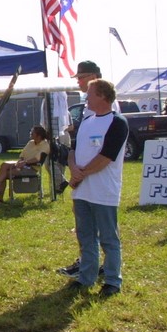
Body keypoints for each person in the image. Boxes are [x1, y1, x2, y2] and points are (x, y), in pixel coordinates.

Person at [64, 79, 129, 296]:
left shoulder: (117, 122)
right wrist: (73, 168)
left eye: (90, 93)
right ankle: (86, 277)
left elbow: (106, 157)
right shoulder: (86, 121)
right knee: (85, 236)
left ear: (102, 95)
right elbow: (72, 151)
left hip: (104, 191)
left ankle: (112, 281)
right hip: (82, 191)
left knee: (109, 238)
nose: (86, 97)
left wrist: (81, 173)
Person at [56, 60, 115, 277]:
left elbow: (106, 151)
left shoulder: (107, 109)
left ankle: (103, 269)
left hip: (98, 179)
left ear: (94, 77)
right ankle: (87, 263)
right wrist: (74, 167)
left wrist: (81, 173)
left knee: (103, 229)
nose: (79, 82)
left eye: (81, 77)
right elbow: (78, 144)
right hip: (82, 177)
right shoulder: (89, 106)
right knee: (85, 227)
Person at [0, 125, 50, 203]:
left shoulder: (45, 145)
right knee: (4, 165)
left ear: (38, 136)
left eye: (32, 133)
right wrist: (20, 162)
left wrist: (25, 162)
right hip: (22, 165)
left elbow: (37, 159)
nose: (30, 133)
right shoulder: (30, 143)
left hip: (32, 168)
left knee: (5, 174)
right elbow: (22, 155)